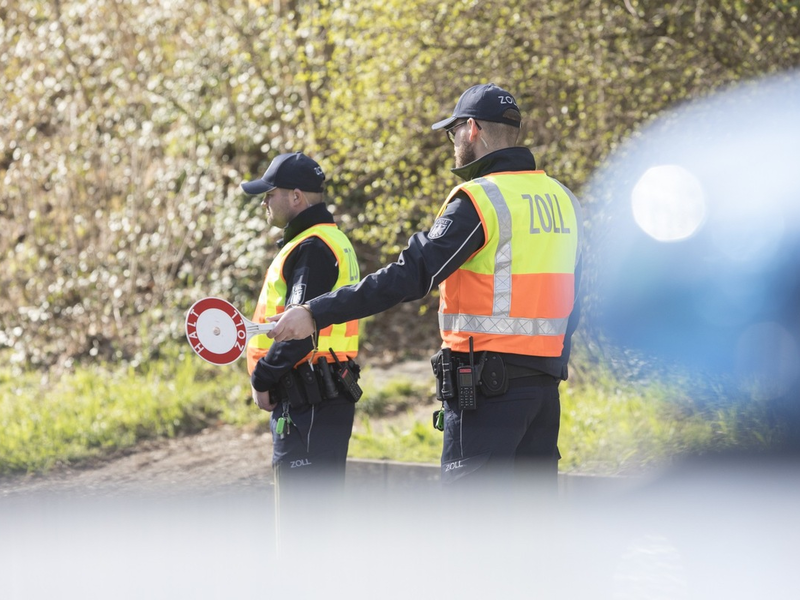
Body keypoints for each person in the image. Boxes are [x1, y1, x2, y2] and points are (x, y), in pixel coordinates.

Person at [268, 84, 583, 492]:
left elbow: (409, 274)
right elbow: (576, 298)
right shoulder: (564, 200)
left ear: (472, 129)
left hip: (488, 398)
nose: (452, 144)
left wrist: (314, 312)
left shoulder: (481, 199)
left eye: (452, 134)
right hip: (543, 396)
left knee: (468, 537)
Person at [240, 152, 362, 512]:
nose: (264, 201)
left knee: (300, 528)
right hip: (320, 398)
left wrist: (262, 378)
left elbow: (299, 330)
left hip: (308, 403)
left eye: (269, 193)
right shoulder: (327, 240)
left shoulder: (313, 248)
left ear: (296, 197)